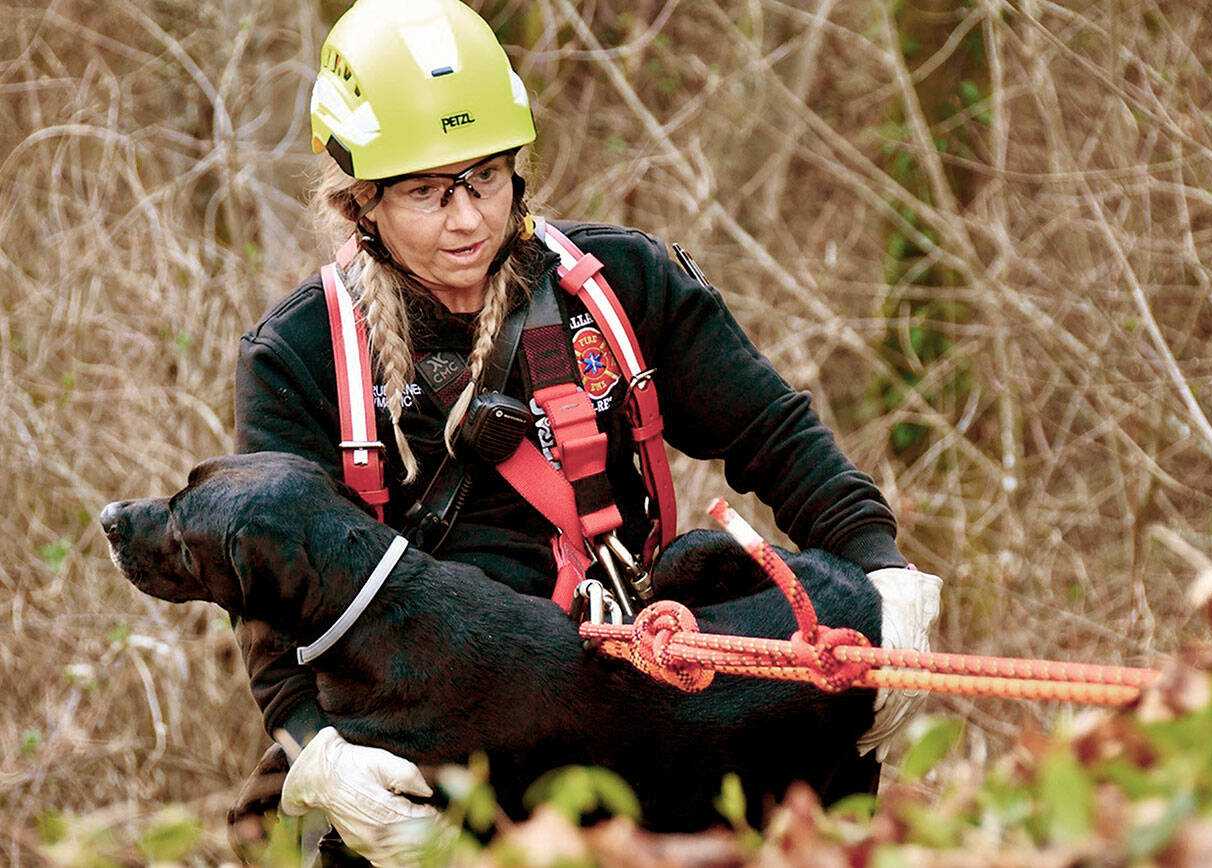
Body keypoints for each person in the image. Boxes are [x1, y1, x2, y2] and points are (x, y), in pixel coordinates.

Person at [231, 0, 942, 863]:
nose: (467, 220)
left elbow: (772, 431)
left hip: (629, 686)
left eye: (485, 178)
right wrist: (317, 747)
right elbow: (267, 583)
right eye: (426, 192)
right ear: (360, 202)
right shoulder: (303, 357)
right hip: (434, 737)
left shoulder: (621, 288)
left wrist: (882, 570)